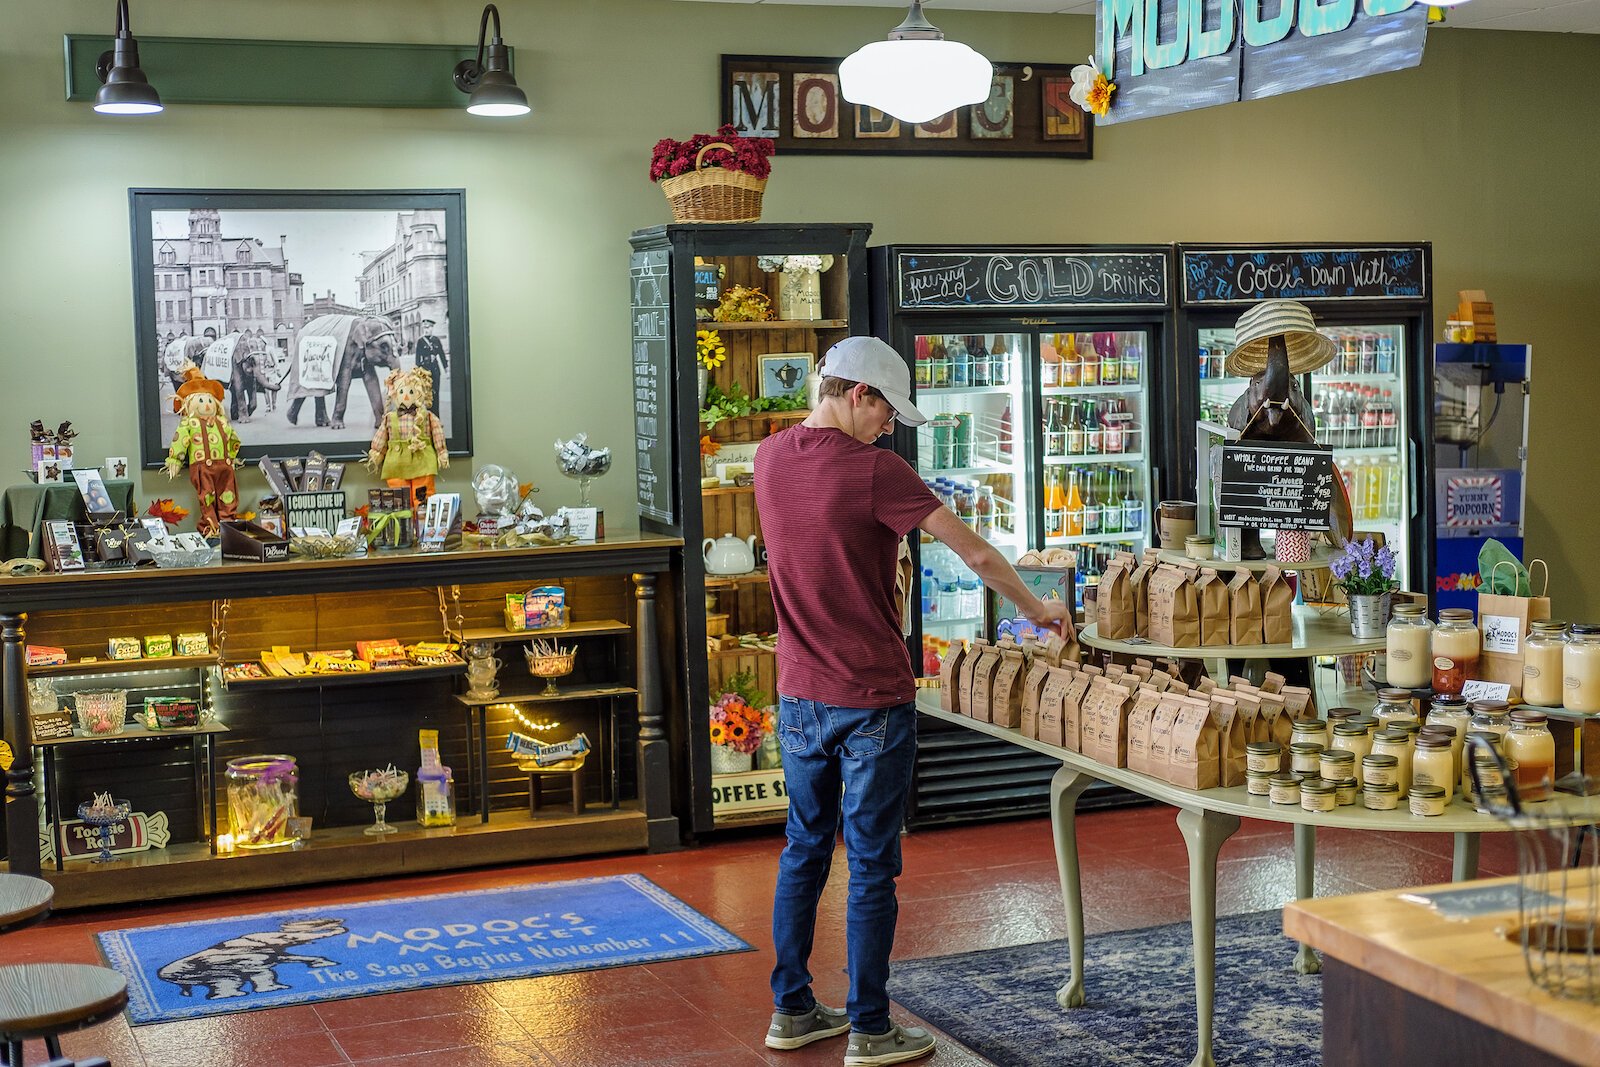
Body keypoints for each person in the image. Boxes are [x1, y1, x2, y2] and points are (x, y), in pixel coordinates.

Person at [754, 336, 1072, 1066]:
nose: (889, 426)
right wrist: (1039, 609)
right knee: (870, 865)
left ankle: (792, 1010)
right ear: (857, 394)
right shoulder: (876, 471)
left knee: (803, 850)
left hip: (798, 693)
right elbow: (977, 553)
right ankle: (869, 1027)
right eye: (886, 411)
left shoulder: (769, 457)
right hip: (871, 694)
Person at [414, 319, 447, 415]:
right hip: (425, 370)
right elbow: (417, 358)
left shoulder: (436, 340)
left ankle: (436, 417)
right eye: (424, 328)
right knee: (427, 395)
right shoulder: (420, 341)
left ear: (432, 328)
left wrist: (446, 368)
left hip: (435, 370)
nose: (426, 330)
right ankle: (429, 417)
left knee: (436, 393)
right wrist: (417, 372)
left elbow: (441, 354)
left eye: (428, 328)